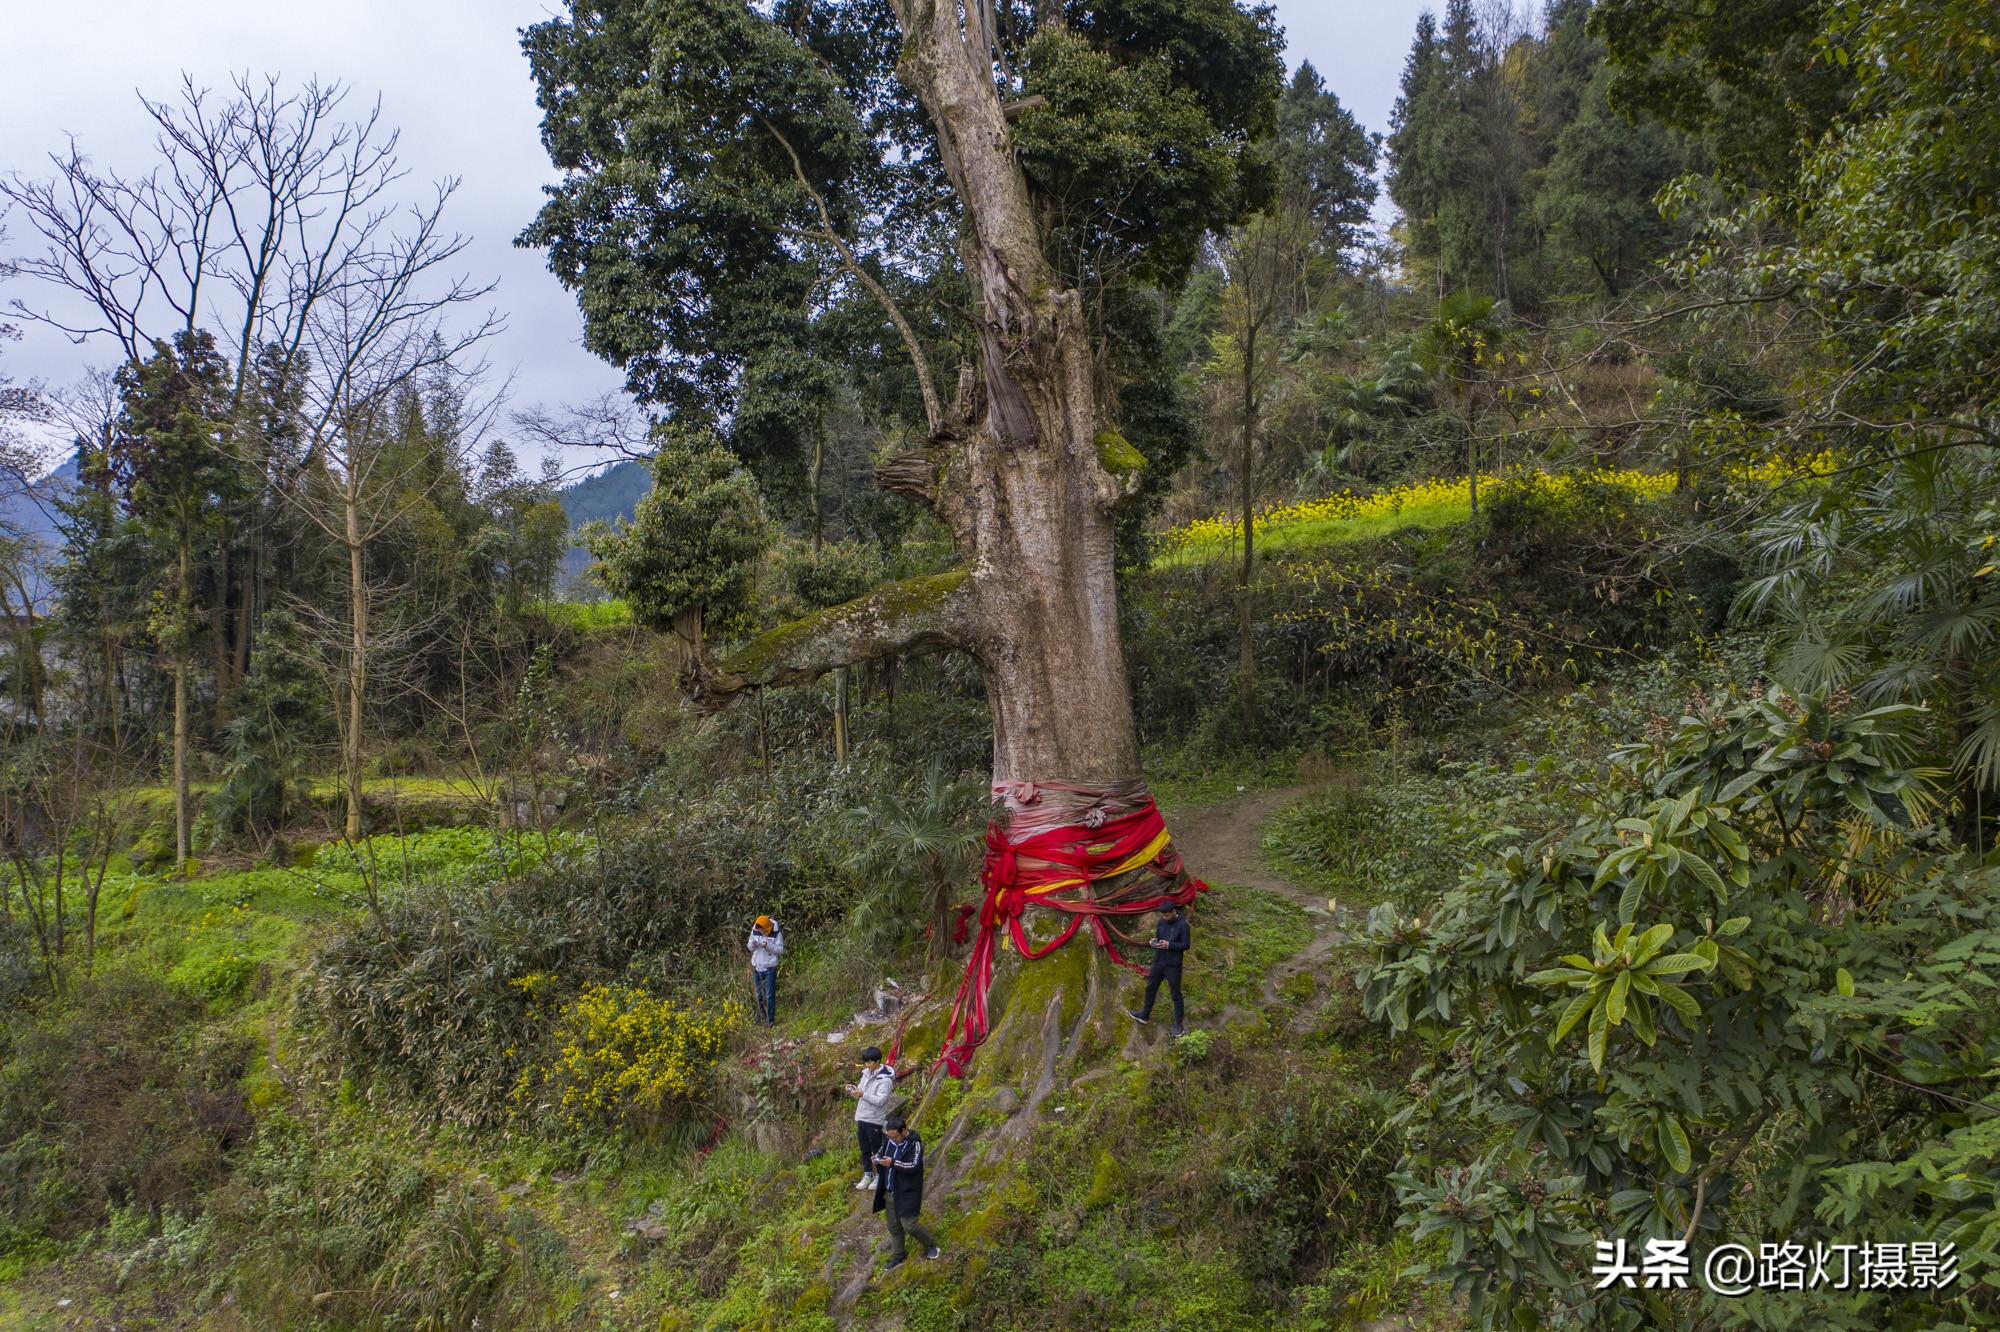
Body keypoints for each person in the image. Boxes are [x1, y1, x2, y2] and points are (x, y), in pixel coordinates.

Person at [871, 1114, 941, 1268]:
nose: (892, 1139)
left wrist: (893, 1163)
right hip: (889, 1192)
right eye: (889, 1136)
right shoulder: (889, 1141)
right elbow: (881, 1154)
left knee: (909, 1225)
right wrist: (876, 1159)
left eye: (895, 1136)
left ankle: (931, 1245)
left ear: (904, 1131)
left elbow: (913, 1166)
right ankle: (898, 1256)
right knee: (894, 1227)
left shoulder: (915, 1144)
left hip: (907, 1192)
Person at [1125, 900, 1190, 1036]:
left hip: (1173, 965)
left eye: (1167, 915)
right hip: (1158, 962)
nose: (1165, 918)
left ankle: (1179, 1025)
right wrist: (1153, 942)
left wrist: (1169, 945)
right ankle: (1144, 1015)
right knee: (1150, 988)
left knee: (1175, 994)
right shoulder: (1161, 922)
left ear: (1174, 912)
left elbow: (1185, 945)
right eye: (1163, 916)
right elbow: (1159, 937)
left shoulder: (1183, 925)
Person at [844, 1045, 897, 1191]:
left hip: (874, 1119)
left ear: (878, 1060)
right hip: (862, 1116)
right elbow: (861, 1093)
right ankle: (868, 1174)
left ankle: (880, 1175)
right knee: (864, 1149)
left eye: (869, 1062)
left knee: (876, 1150)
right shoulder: (866, 1073)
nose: (867, 1065)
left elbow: (881, 1101)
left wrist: (863, 1094)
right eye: (865, 1062)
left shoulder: (885, 1080)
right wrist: (853, 1091)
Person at [746, 915, 783, 1025]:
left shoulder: (776, 933)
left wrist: (767, 945)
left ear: (766, 927)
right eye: (758, 929)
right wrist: (752, 945)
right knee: (759, 995)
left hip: (769, 968)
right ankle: (762, 1017)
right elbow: (749, 946)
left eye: (762, 929)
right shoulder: (755, 931)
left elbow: (780, 950)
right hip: (757, 968)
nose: (760, 931)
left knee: (769, 995)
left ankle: (770, 1020)